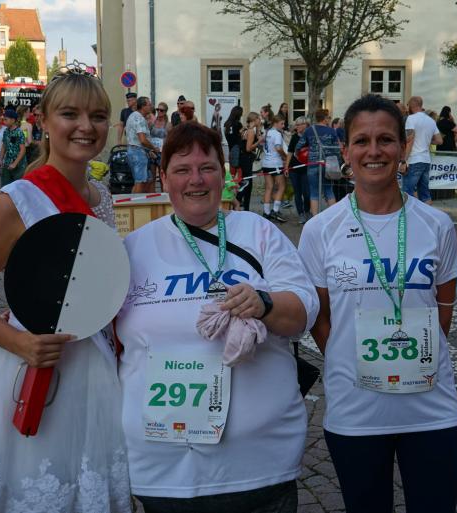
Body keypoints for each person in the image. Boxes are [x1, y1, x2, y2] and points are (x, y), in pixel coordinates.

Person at [0, 70, 131, 513]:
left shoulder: (101, 197)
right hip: (36, 365)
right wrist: (21, 343)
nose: (86, 126)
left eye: (98, 116)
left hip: (96, 370)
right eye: (70, 114)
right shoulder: (16, 201)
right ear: (43, 120)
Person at [116, 120, 318, 513]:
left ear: (223, 174)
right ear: (164, 178)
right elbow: (99, 330)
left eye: (207, 168)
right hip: (161, 467)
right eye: (182, 169)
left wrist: (265, 303)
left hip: (256, 463)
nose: (196, 180)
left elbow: (303, 312)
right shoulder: (134, 248)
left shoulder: (257, 232)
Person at [298, 94, 457, 513]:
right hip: (356, 410)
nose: (374, 151)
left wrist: (415, 354)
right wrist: (349, 357)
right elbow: (319, 317)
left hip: (431, 409)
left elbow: (444, 307)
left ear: (404, 146)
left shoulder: (437, 224)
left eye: (385, 140)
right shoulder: (320, 230)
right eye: (362, 141)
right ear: (346, 151)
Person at [296, 109, 341, 215]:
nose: (329, 119)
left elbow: (299, 146)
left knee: (314, 192)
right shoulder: (331, 131)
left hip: (313, 164)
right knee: (329, 190)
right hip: (327, 164)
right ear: (324, 119)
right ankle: (333, 216)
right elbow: (337, 150)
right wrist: (338, 163)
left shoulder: (309, 130)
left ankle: (315, 218)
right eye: (328, 117)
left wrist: (299, 155)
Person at [402, 96, 442, 204]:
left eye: (408, 105)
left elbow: (410, 140)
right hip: (426, 160)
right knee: (425, 195)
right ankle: (428, 213)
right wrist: (427, 140)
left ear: (411, 105)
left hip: (414, 160)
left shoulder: (411, 118)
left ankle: (408, 214)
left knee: (406, 193)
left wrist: (403, 160)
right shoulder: (431, 120)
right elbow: (439, 140)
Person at [126, 96, 160, 193]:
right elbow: (143, 140)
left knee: (146, 181)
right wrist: (154, 148)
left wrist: (149, 151)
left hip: (134, 150)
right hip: (138, 152)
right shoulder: (139, 119)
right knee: (140, 182)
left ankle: (133, 200)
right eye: (149, 104)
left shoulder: (133, 115)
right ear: (143, 107)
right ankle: (135, 202)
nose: (151, 106)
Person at [261, 115, 288, 222]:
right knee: (282, 186)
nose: (283, 126)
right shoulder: (277, 134)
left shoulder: (267, 132)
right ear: (275, 123)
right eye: (282, 123)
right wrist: (285, 157)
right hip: (275, 163)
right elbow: (278, 148)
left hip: (266, 163)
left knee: (269, 187)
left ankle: (266, 212)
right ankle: (275, 211)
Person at [285, 116, 310, 224]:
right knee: (297, 193)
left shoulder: (310, 136)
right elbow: (290, 152)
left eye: (299, 125)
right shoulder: (294, 137)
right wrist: (286, 167)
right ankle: (301, 214)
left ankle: (307, 211)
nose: (297, 127)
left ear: (305, 125)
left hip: (306, 169)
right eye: (296, 125)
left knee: (306, 193)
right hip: (294, 169)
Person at [236, 111, 262, 212]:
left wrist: (258, 128)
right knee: (247, 183)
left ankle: (245, 207)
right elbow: (248, 148)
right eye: (258, 118)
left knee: (247, 183)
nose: (260, 120)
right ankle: (237, 202)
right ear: (254, 119)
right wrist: (258, 142)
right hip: (246, 158)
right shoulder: (251, 131)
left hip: (244, 158)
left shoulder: (246, 129)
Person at [0, 109, 27, 186]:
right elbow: (4, 145)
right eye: (3, 119)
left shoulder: (19, 132)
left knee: (17, 187)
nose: (4, 121)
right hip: (7, 163)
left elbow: (23, 150)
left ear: (13, 120)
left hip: (19, 165)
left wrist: (15, 163)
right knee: (5, 186)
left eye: (6, 119)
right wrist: (1, 159)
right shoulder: (6, 131)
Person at [223, 105, 244, 176]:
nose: (242, 115)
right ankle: (238, 182)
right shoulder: (238, 124)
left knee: (232, 170)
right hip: (237, 148)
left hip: (230, 148)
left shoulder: (226, 124)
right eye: (241, 114)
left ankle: (231, 182)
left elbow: (228, 135)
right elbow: (240, 136)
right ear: (238, 114)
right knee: (239, 169)